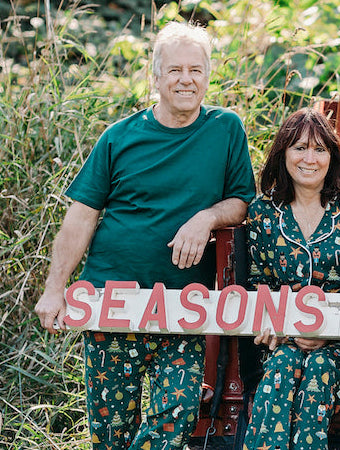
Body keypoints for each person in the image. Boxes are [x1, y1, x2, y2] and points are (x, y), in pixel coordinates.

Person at [35, 21, 255, 449]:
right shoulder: (120, 137)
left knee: (176, 419)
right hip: (112, 304)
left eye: (196, 69)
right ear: (155, 77)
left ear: (208, 76)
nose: (186, 79)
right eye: (174, 70)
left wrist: (206, 217)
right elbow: (81, 216)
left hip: (182, 310)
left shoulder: (226, 129)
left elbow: (243, 201)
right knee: (110, 434)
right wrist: (54, 288)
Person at [243, 108, 340, 450]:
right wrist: (276, 323)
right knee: (283, 364)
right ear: (283, 153)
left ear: (332, 156)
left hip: (338, 343)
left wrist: (325, 331)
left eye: (320, 149)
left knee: (320, 368)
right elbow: (258, 282)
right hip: (281, 339)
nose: (309, 158)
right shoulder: (263, 213)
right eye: (299, 147)